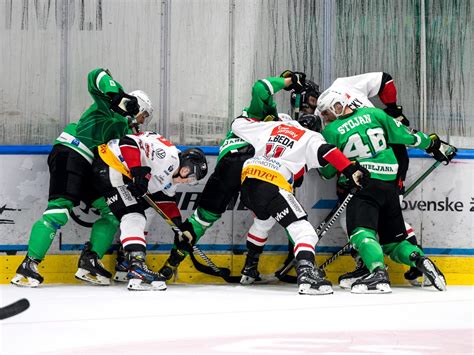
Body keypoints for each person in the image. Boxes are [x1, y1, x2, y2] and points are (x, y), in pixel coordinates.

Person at [154, 70, 308, 281]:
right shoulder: (268, 118)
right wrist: (288, 81)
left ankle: (169, 265)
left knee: (201, 220)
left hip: (227, 166)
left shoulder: (249, 121)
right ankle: (300, 266)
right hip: (257, 168)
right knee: (282, 217)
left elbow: (261, 89)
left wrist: (287, 82)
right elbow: (261, 88)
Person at [11, 68, 152, 287]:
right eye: (144, 115)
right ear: (138, 107)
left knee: (112, 210)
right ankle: (29, 265)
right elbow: (95, 76)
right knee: (59, 209)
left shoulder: (124, 130)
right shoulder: (111, 105)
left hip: (88, 166)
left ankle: (90, 261)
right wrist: (117, 94)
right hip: (72, 151)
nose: (143, 121)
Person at [317, 88, 456, 293]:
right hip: (390, 185)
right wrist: (432, 144)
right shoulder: (375, 114)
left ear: (337, 106)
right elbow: (407, 136)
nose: (324, 117)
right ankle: (419, 259)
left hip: (363, 185)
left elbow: (327, 172)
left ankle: (377, 273)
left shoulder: (331, 131)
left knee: (361, 233)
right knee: (393, 242)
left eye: (325, 112)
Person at [231, 114, 370, 295]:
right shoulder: (310, 136)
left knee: (263, 222)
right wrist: (350, 169)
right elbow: (326, 151)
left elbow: (237, 123)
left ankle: (249, 269)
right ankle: (307, 275)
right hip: (274, 181)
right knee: (304, 230)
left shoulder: (272, 126)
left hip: (248, 180)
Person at [93, 131, 208, 290]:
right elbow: (128, 141)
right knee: (134, 216)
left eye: (192, 180)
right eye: (188, 173)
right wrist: (136, 171)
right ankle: (136, 266)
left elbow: (165, 201)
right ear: (185, 162)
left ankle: (128, 264)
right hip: (111, 163)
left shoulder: (172, 182)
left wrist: (179, 227)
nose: (186, 179)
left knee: (140, 214)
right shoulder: (168, 156)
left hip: (115, 171)